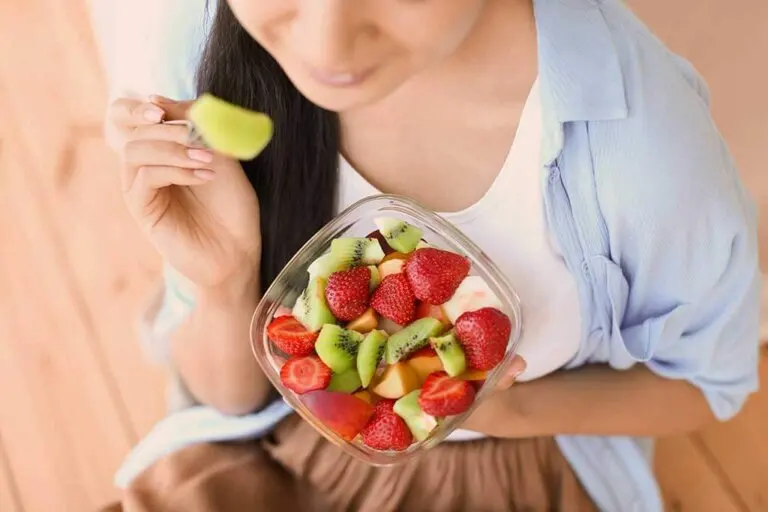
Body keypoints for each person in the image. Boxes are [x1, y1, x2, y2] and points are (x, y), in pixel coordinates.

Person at [98, 0, 761, 510]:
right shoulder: (205, 48)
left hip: (516, 469)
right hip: (279, 443)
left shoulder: (647, 157)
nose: (325, 44)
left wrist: (501, 410)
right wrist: (225, 278)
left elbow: (711, 386)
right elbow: (228, 399)